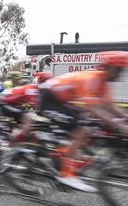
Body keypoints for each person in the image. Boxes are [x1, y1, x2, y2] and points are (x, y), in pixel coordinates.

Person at [38, 51, 128, 192]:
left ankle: (62, 154)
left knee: (91, 128)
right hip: (48, 99)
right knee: (81, 130)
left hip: (61, 100)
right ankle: (66, 174)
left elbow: (109, 105)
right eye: (119, 70)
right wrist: (118, 125)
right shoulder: (91, 78)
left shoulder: (103, 82)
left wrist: (125, 118)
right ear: (109, 67)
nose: (120, 74)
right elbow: (91, 107)